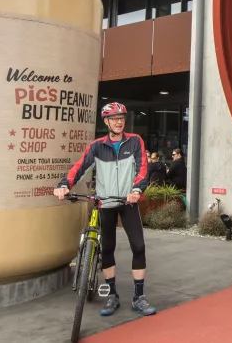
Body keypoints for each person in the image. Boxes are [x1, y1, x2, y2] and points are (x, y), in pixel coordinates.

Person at [53, 102, 157, 318]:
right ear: (106, 122)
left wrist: (136, 189)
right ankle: (112, 295)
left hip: (128, 202)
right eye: (114, 119)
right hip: (105, 203)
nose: (119, 122)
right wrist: (64, 185)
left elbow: (143, 169)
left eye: (122, 118)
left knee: (138, 247)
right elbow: (79, 168)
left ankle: (139, 297)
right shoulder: (97, 147)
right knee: (107, 249)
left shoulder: (135, 141)